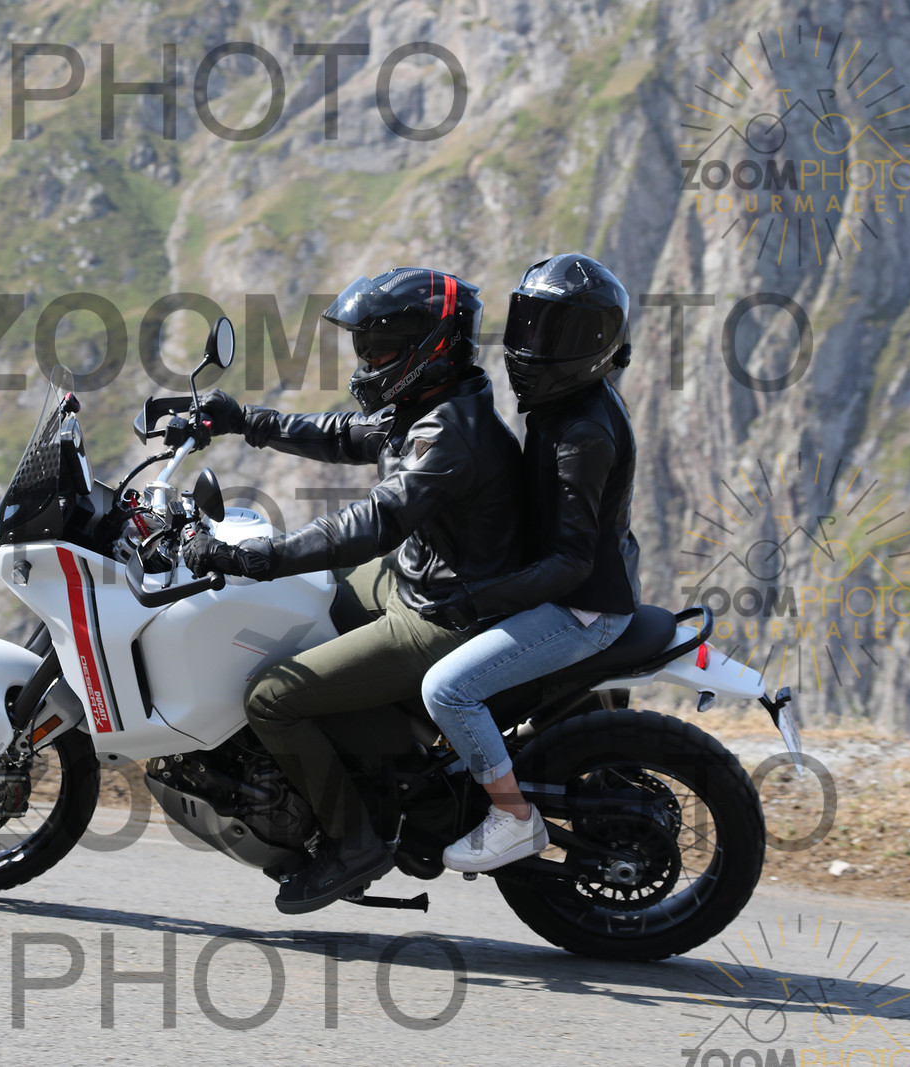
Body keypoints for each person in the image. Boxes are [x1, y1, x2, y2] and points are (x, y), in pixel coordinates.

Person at [180, 267, 525, 913]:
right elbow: (344, 435)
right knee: (302, 601)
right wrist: (242, 419)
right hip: (418, 578)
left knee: (271, 697)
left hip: (442, 616)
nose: (367, 360)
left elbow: (370, 524)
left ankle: (352, 841)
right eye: (363, 346)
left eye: (380, 347)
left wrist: (255, 556)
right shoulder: (433, 404)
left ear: (430, 347)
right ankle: (366, 756)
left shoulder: (449, 433)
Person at [417, 253, 641, 873]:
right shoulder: (568, 404)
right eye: (529, 324)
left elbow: (571, 563)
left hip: (583, 609)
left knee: (448, 690)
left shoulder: (582, 434)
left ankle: (513, 818)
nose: (531, 346)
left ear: (594, 346)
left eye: (555, 334)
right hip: (574, 589)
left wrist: (474, 602)